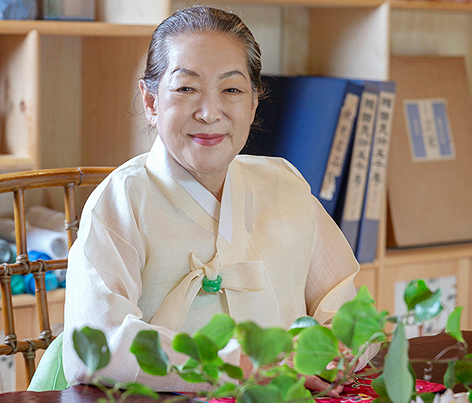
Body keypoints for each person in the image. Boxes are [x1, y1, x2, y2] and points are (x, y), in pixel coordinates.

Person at [61, 5, 370, 396]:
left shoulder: (285, 185)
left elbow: (349, 311)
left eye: (232, 90)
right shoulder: (122, 199)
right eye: (187, 88)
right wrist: (239, 369)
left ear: (254, 102)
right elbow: (95, 347)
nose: (209, 113)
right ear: (151, 101)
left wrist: (322, 356)